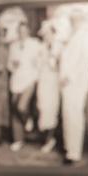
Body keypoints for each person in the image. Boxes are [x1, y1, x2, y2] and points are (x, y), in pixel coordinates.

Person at [59, 12, 88, 165]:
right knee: (68, 115)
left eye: (74, 19)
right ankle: (69, 147)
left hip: (76, 83)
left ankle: (74, 152)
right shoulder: (73, 35)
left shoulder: (86, 36)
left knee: (74, 117)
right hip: (67, 83)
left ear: (81, 19)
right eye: (71, 19)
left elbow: (85, 62)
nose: (72, 21)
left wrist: (69, 77)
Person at [7, 21, 42, 152]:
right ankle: (18, 140)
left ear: (28, 31)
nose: (22, 33)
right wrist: (12, 66)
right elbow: (9, 64)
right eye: (20, 31)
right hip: (16, 81)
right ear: (18, 32)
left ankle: (28, 119)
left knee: (21, 106)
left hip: (29, 80)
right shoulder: (13, 46)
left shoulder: (35, 44)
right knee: (15, 111)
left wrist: (36, 63)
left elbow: (41, 61)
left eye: (24, 31)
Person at [36, 21, 62, 154]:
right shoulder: (41, 47)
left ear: (53, 33)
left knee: (51, 110)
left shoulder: (59, 47)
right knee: (42, 108)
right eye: (44, 34)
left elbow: (60, 66)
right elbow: (38, 64)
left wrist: (54, 60)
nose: (46, 36)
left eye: (48, 33)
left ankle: (49, 140)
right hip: (43, 81)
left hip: (53, 82)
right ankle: (46, 138)